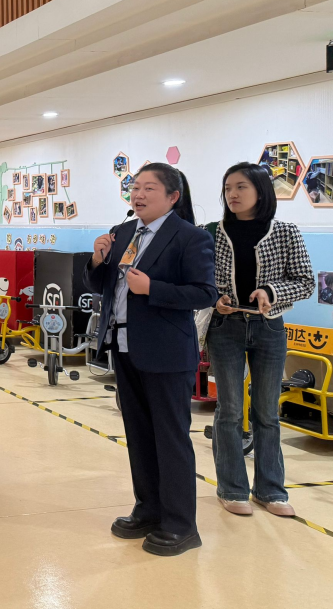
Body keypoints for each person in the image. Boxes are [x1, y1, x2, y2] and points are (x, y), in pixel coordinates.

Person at [85, 163, 217, 557]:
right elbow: (103, 285)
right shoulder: (124, 232)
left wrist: (152, 288)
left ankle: (180, 525)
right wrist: (97, 260)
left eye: (149, 188)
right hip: (124, 346)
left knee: (170, 438)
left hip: (167, 352)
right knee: (139, 435)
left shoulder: (190, 237)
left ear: (173, 196)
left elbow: (204, 293)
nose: (138, 195)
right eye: (135, 187)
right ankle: (148, 510)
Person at [207, 162, 314, 517]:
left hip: (269, 327)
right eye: (228, 188)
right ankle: (232, 488)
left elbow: (305, 281)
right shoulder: (212, 232)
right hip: (225, 327)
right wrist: (216, 298)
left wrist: (271, 290)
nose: (233, 194)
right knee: (229, 410)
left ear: (261, 191)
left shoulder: (285, 232)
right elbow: (198, 279)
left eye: (241, 187)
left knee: (267, 412)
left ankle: (271, 491)